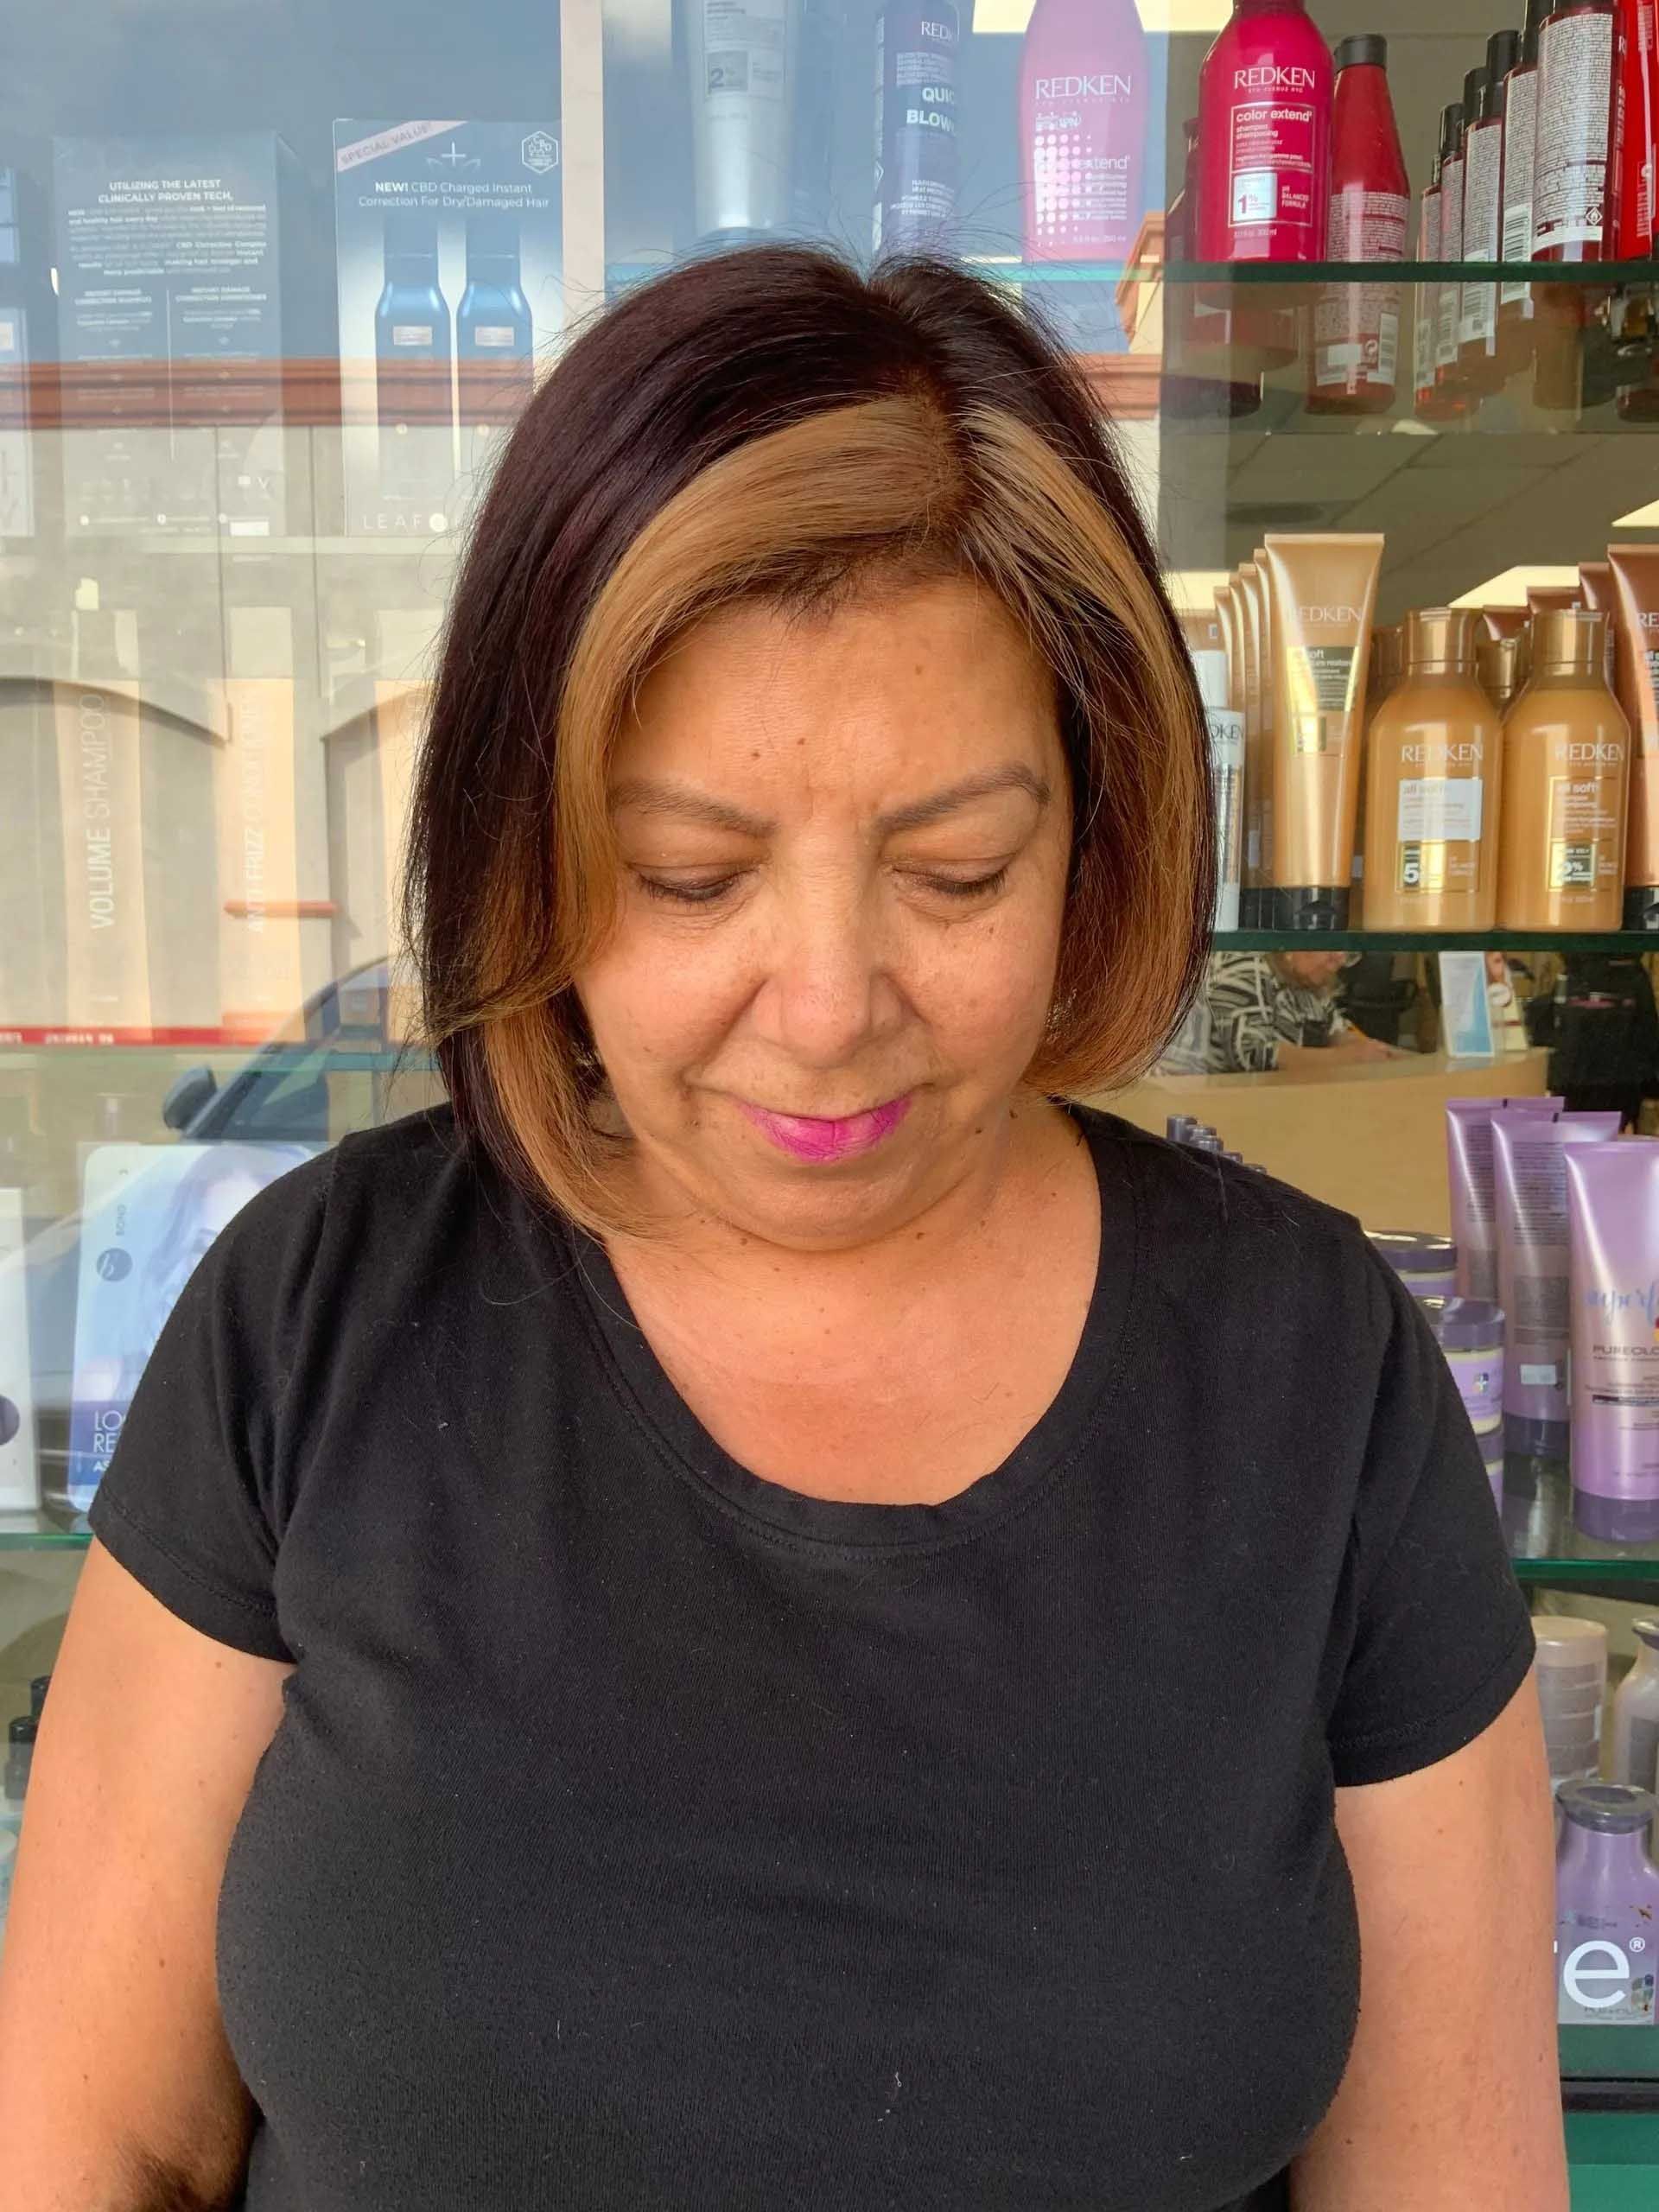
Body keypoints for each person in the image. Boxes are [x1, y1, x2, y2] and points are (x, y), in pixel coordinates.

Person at [0, 250, 1564, 2212]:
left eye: (953, 867)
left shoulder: (1313, 1387)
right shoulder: (308, 1331)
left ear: (1095, 833)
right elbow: (92, 2146)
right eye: (688, 872)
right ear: (528, 854)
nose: (825, 1002)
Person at [1163, 949, 1400, 1074]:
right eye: (1330, 948)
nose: (1338, 960)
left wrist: (1377, 1052)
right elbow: (1252, 1056)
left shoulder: (1308, 984)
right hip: (1187, 1101)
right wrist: (1348, 1058)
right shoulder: (1245, 961)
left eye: (1347, 954)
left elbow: (1337, 1032)